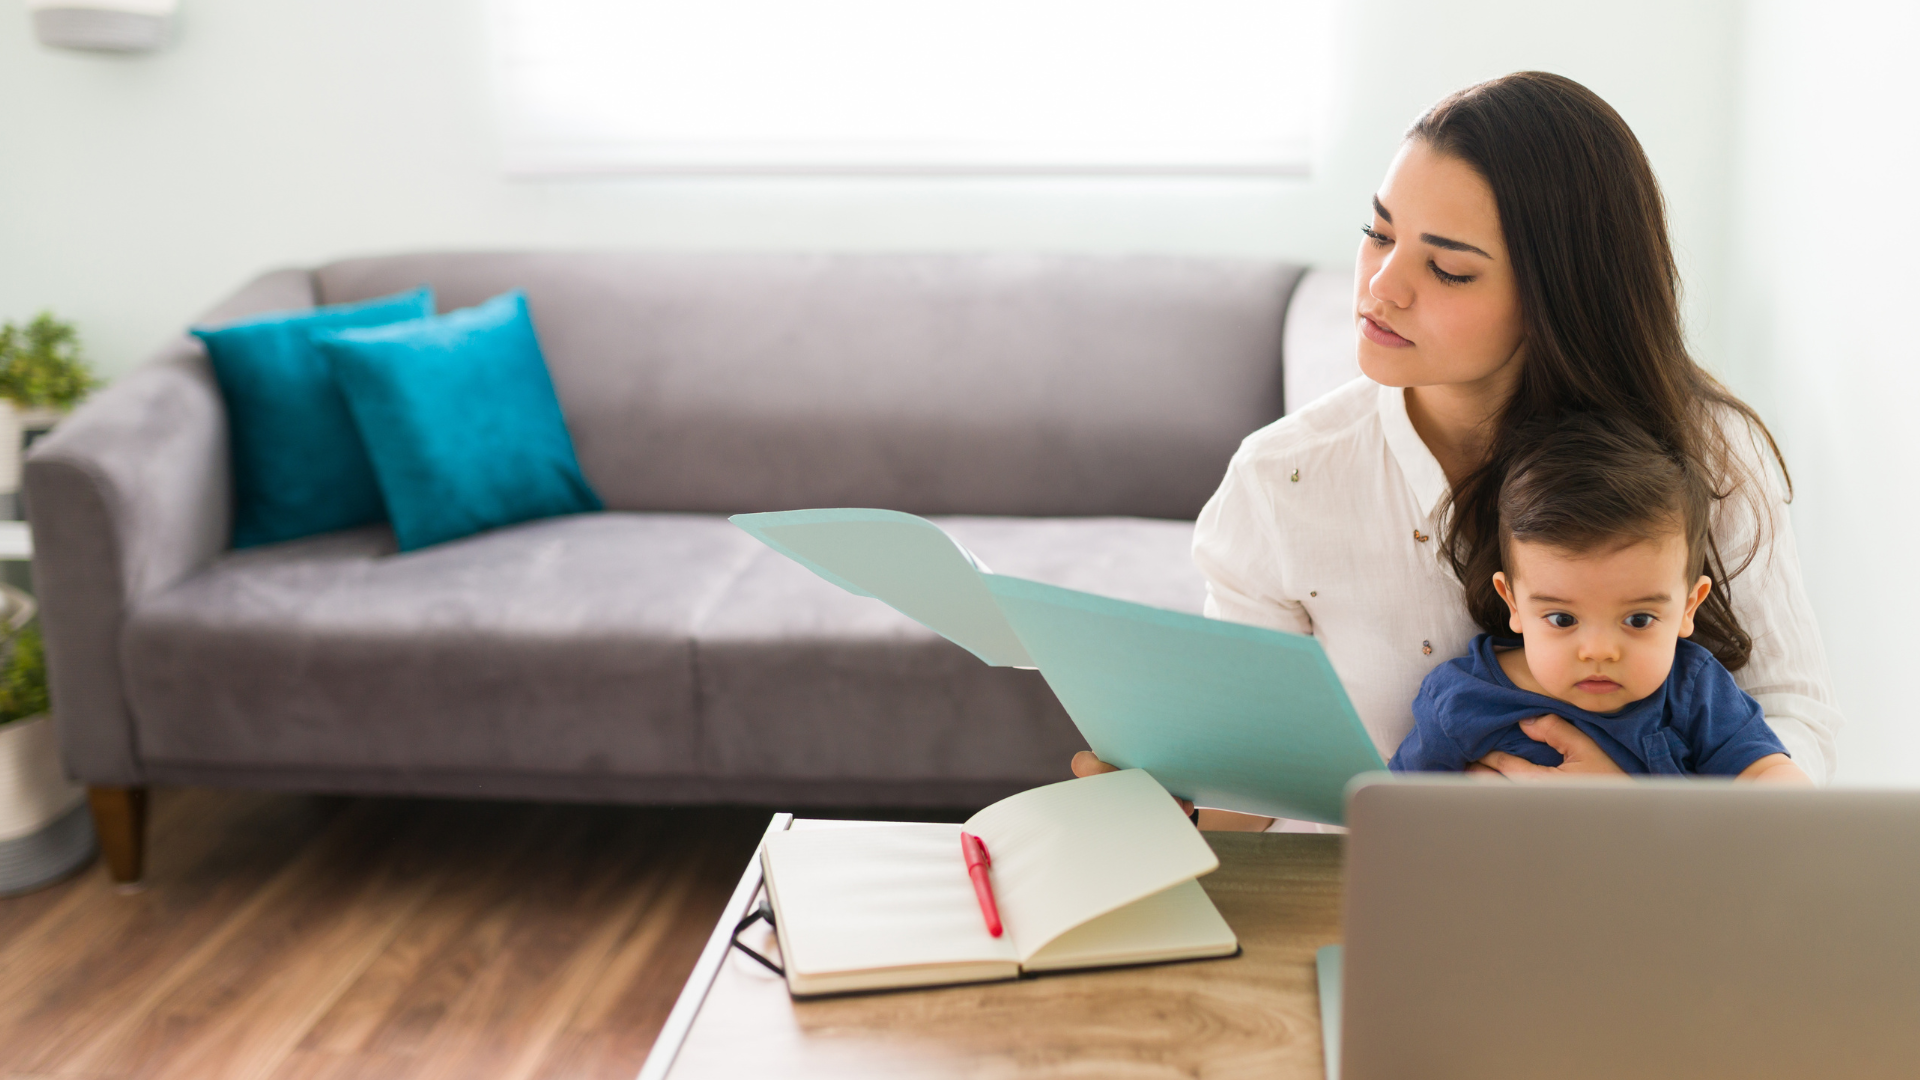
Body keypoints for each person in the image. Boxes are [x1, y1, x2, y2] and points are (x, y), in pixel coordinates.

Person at [1073, 71, 1839, 829]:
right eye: (1378, 233)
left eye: (1448, 269)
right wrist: (1169, 804)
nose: (1382, 284)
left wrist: (1638, 819)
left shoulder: (1707, 457)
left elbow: (1791, 717)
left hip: (1649, 905)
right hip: (1381, 900)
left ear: (1560, 297)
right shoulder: (1284, 481)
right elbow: (1251, 796)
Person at [1390, 412, 1807, 782]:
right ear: (1513, 602)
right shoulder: (1461, 700)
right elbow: (1395, 816)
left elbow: (1766, 773)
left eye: (1639, 620)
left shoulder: (1693, 690)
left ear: (1688, 607)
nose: (1599, 652)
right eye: (1562, 619)